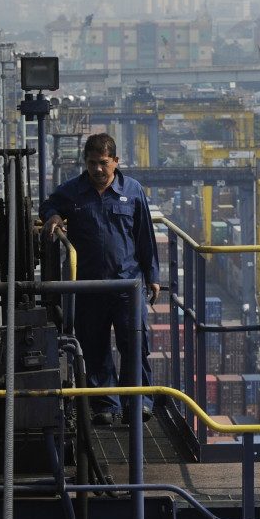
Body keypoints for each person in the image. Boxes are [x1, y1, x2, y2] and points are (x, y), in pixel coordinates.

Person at [40, 133, 161, 426]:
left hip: (127, 286)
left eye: (103, 163)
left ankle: (138, 404)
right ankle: (104, 405)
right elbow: (47, 206)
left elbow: (145, 236)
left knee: (134, 344)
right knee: (93, 347)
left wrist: (152, 276)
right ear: (86, 162)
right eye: (92, 163)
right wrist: (54, 217)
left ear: (115, 161)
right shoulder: (73, 191)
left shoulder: (132, 191)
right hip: (88, 286)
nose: (97, 169)